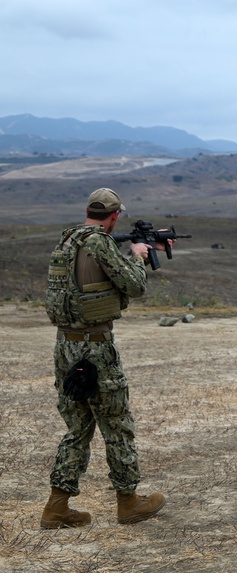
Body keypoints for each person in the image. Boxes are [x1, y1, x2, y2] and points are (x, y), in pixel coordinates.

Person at [41, 188, 167, 528]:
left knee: (77, 427)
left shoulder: (67, 241)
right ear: (114, 217)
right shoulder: (100, 243)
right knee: (117, 424)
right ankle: (128, 503)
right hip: (96, 347)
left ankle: (56, 507)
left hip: (65, 346)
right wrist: (138, 256)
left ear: (88, 211)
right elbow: (134, 286)